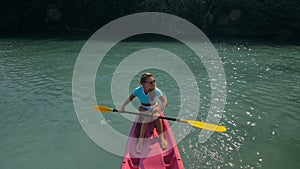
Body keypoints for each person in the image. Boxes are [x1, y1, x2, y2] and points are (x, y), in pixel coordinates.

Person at [120, 72, 168, 153]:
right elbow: (130, 98)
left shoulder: (156, 90)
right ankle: (140, 140)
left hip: (154, 106)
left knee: (157, 116)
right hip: (143, 107)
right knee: (147, 117)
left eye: (154, 81)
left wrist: (158, 111)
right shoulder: (138, 91)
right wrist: (123, 107)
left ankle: (161, 137)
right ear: (143, 83)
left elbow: (164, 102)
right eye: (150, 82)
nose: (153, 84)